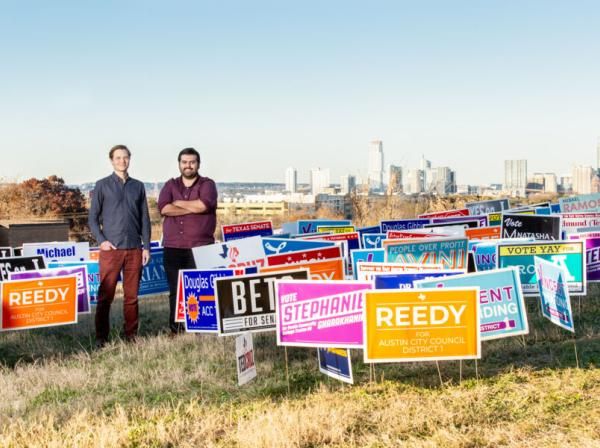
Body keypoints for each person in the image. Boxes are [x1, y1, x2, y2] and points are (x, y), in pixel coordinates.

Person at [89, 145, 151, 346]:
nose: (122, 161)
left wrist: (147, 246)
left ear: (129, 159)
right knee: (105, 296)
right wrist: (102, 241)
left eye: (125, 157)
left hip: (134, 249)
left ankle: (131, 337)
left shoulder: (138, 186)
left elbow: (145, 219)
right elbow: (92, 219)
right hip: (111, 250)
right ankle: (101, 338)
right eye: (118, 158)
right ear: (111, 160)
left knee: (131, 297)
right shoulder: (102, 185)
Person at [158, 147, 218, 335]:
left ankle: (200, 327)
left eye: (192, 162)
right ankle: (177, 329)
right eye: (184, 162)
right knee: (176, 291)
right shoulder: (170, 185)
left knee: (200, 288)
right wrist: (190, 206)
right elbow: (164, 209)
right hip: (173, 246)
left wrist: (178, 203)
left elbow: (203, 206)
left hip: (200, 247)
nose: (188, 165)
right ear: (179, 164)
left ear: (198, 164)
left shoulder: (208, 184)